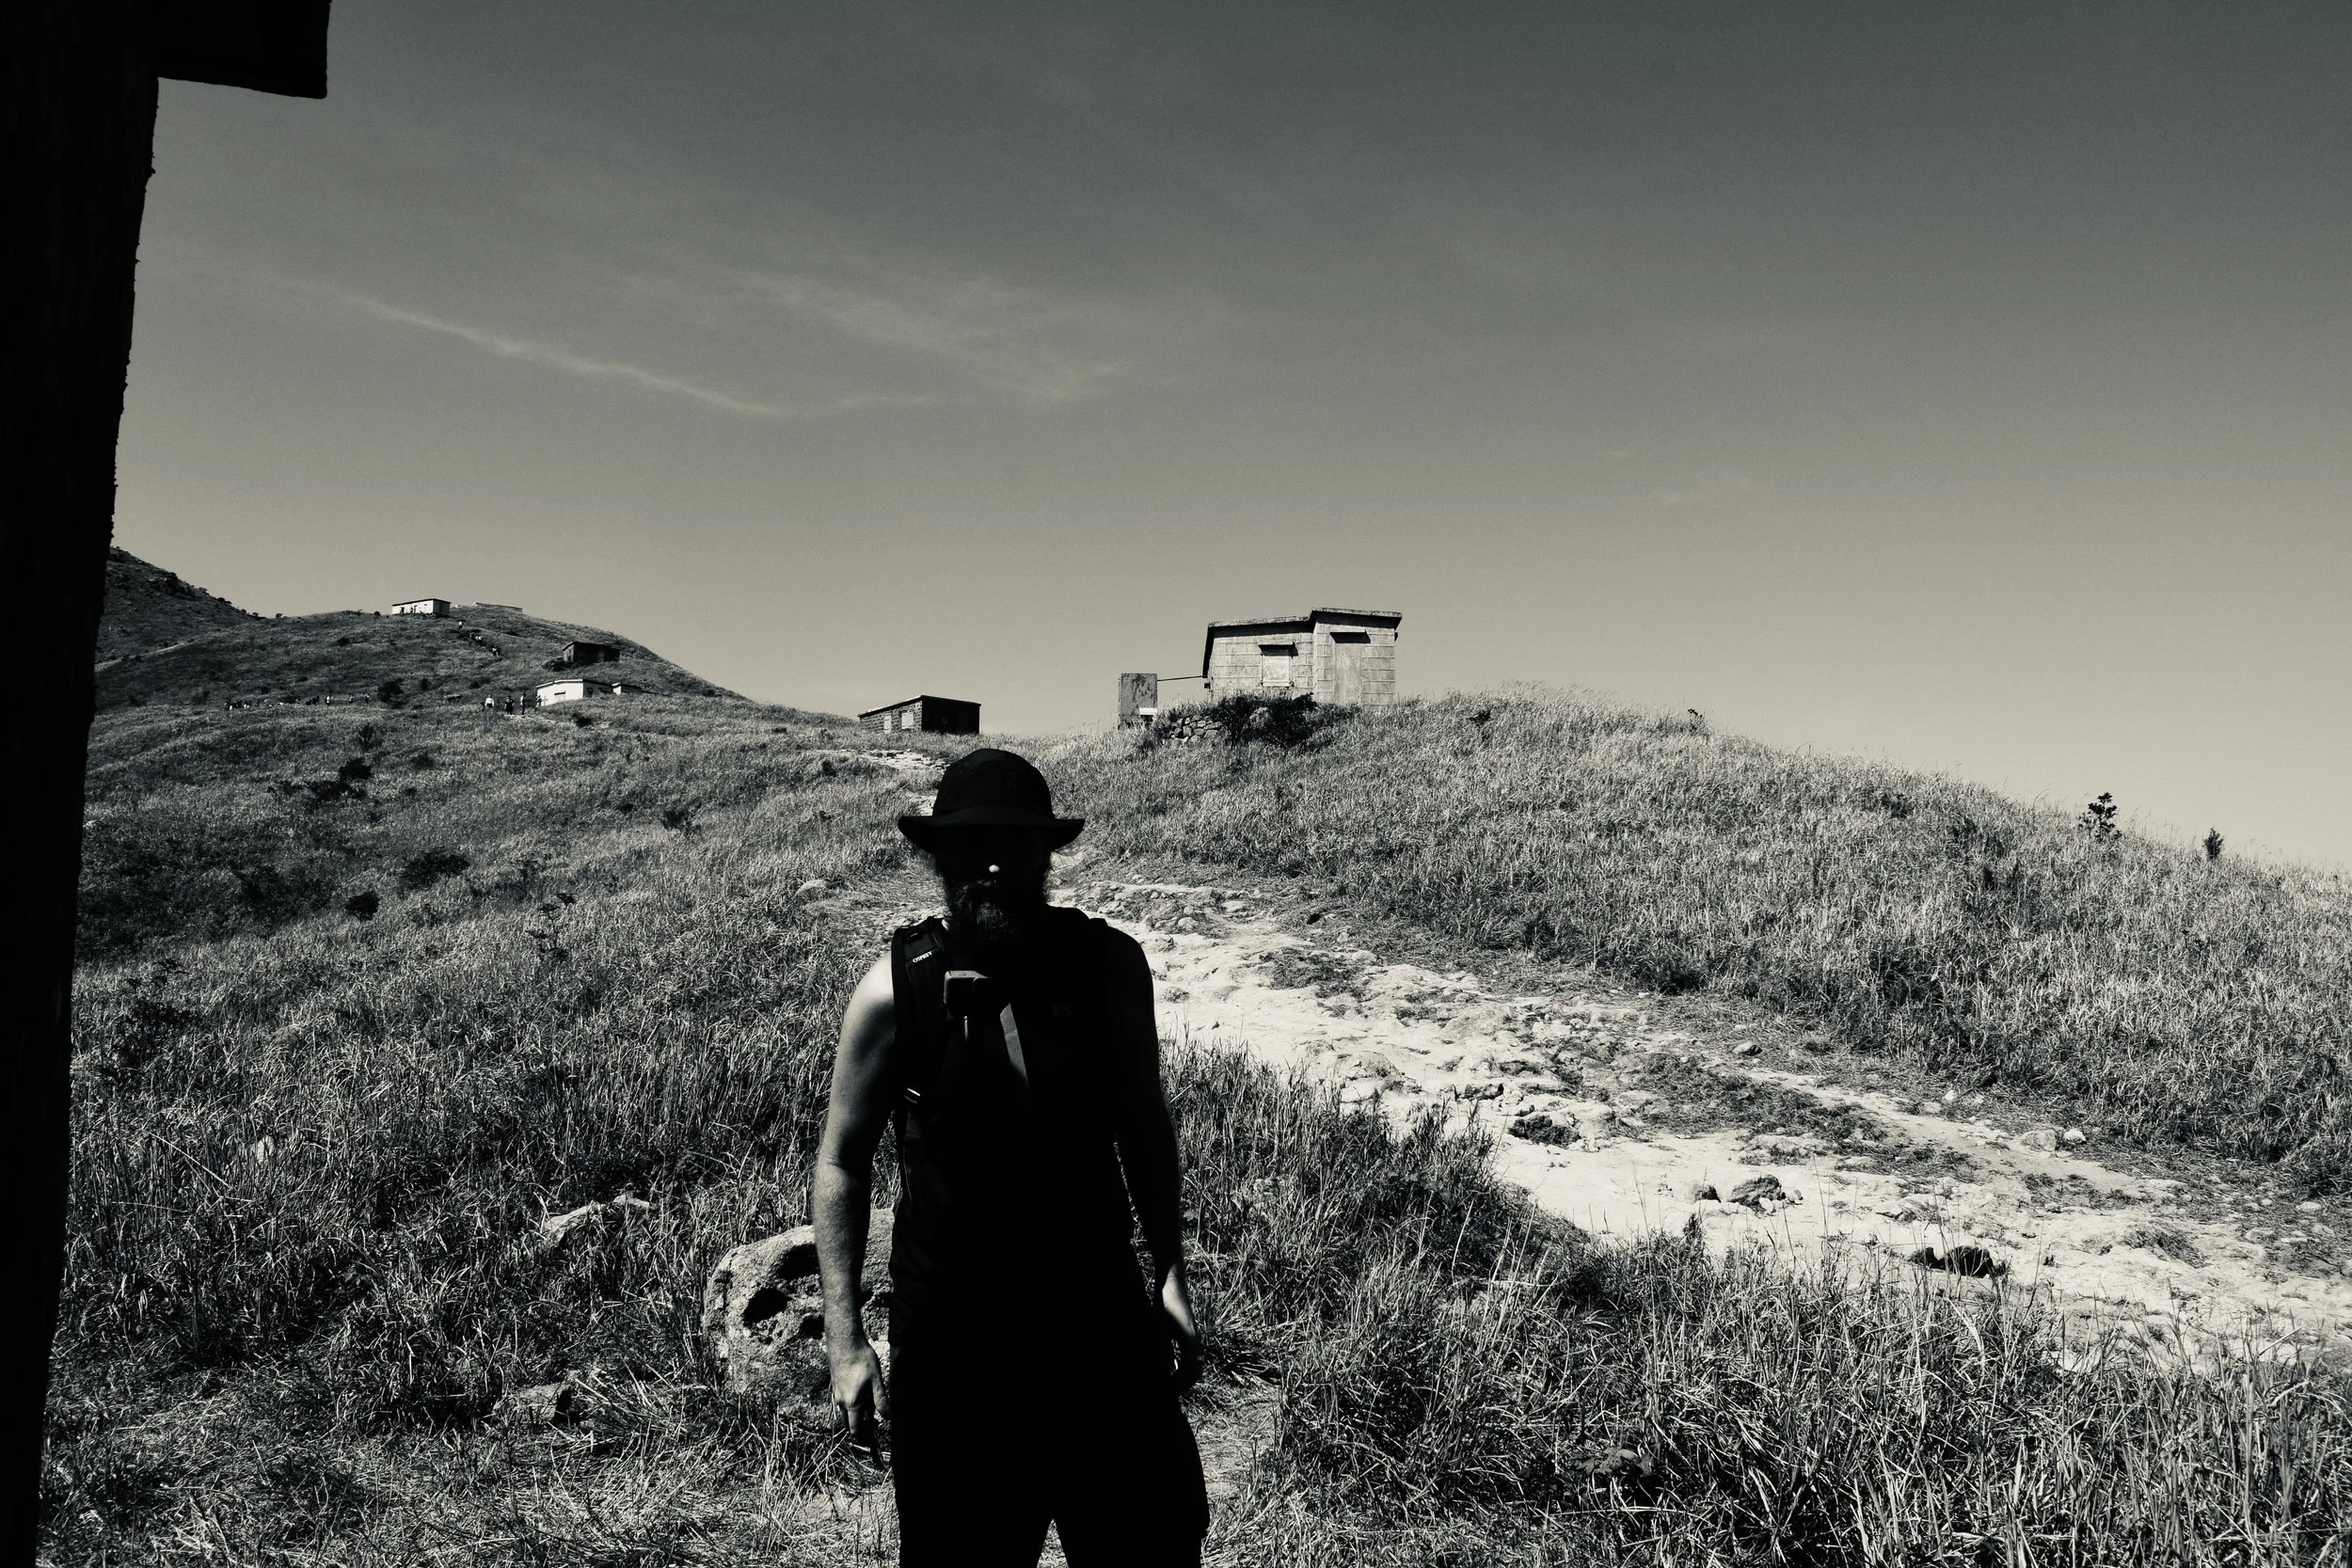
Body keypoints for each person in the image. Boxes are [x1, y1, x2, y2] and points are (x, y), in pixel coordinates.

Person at [814, 748, 1209, 1567]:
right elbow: (842, 1160)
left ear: (1047, 853)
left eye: (1015, 842)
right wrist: (845, 1340)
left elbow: (1143, 1122)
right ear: (939, 858)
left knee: (1151, 1546)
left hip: (1097, 1326)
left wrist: (1170, 1268)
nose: (992, 863)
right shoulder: (897, 989)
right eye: (971, 844)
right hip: (953, 1347)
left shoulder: (1108, 968)